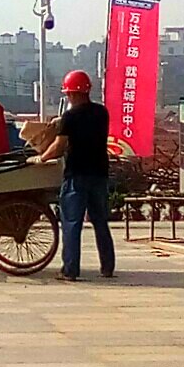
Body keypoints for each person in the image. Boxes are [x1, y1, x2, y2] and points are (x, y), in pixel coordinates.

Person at [29, 70, 115, 281]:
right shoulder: (101, 113)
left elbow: (59, 146)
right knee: (100, 221)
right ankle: (107, 267)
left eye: (68, 94)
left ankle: (70, 270)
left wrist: (41, 158)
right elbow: (86, 122)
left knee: (72, 223)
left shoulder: (70, 117)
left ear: (73, 94)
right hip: (99, 174)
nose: (67, 97)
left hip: (77, 175)